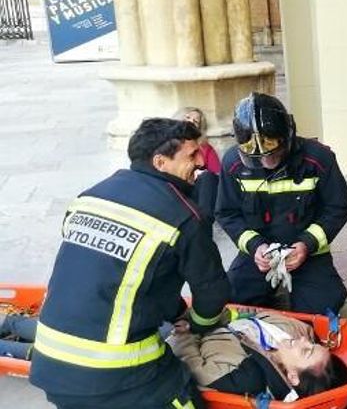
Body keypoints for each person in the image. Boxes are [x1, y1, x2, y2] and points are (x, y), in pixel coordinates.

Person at [30, 118, 233, 409]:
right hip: (115, 373)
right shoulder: (184, 216)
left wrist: (175, 310)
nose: (201, 162)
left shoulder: (90, 197)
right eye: (192, 155)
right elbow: (213, 294)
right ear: (160, 162)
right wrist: (196, 325)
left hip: (50, 362)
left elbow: (126, 273)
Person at [216, 93, 347, 314]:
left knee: (324, 306)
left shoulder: (318, 158)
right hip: (260, 253)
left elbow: (338, 207)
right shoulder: (233, 164)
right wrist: (255, 247)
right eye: (258, 158)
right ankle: (269, 287)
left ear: (289, 135)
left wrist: (306, 245)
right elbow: (227, 213)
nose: (267, 162)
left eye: (274, 153)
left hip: (307, 251)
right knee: (233, 300)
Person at [167, 310, 347, 402]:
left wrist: (187, 328)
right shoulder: (298, 329)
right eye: (313, 344)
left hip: (183, 331)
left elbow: (185, 359)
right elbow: (250, 313)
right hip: (212, 314)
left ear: (293, 377)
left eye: (306, 351)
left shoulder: (242, 376)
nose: (304, 340)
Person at [176, 107, 221, 223]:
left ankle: (203, 223)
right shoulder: (166, 143)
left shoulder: (205, 148)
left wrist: (200, 174)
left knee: (208, 178)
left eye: (196, 121)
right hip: (173, 188)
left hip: (195, 192)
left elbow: (217, 174)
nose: (191, 121)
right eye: (188, 117)